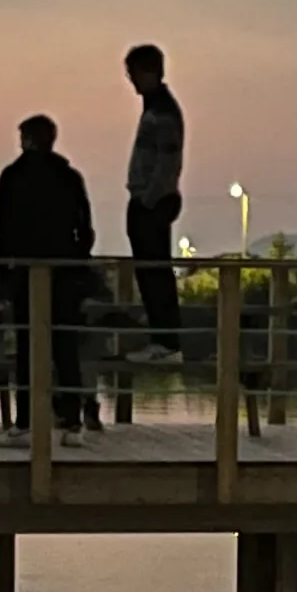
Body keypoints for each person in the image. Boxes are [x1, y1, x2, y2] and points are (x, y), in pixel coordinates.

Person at [0, 115, 94, 444]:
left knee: (27, 348)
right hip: (64, 273)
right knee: (65, 347)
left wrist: (3, 273)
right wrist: (77, 262)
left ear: (27, 139)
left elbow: (0, 228)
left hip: (24, 273)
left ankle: (25, 422)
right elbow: (86, 226)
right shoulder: (69, 177)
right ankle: (72, 422)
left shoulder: (13, 177)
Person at [123, 43, 185, 362]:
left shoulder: (161, 112)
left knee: (154, 270)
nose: (130, 80)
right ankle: (163, 336)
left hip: (153, 202)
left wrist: (147, 199)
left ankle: (166, 341)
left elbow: (168, 162)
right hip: (153, 200)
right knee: (150, 271)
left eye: (133, 73)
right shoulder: (156, 108)